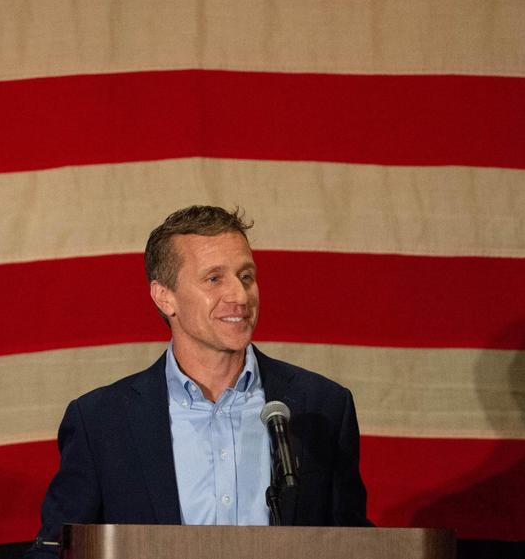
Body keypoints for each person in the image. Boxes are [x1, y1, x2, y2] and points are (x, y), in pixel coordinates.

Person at [26, 205, 371, 557]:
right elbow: (54, 550)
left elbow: (355, 545)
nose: (239, 296)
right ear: (165, 297)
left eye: (246, 276)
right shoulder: (101, 422)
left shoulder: (323, 406)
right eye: (214, 278)